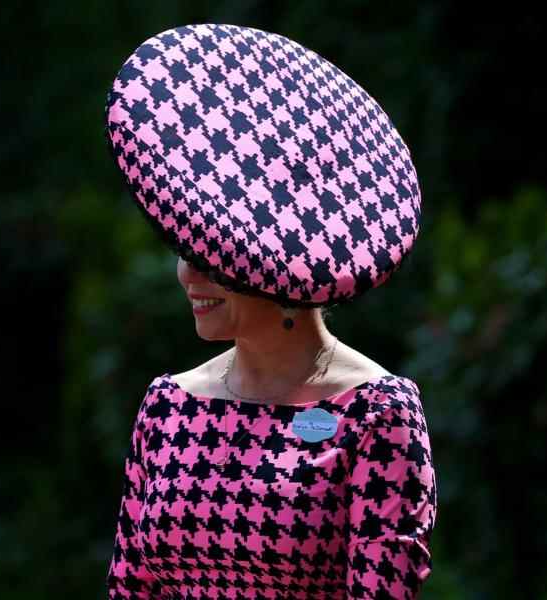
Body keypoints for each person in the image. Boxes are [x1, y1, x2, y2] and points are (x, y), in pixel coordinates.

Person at [103, 22, 437, 599]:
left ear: (278, 269)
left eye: (211, 256)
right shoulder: (167, 407)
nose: (189, 274)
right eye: (185, 251)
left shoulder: (375, 415)